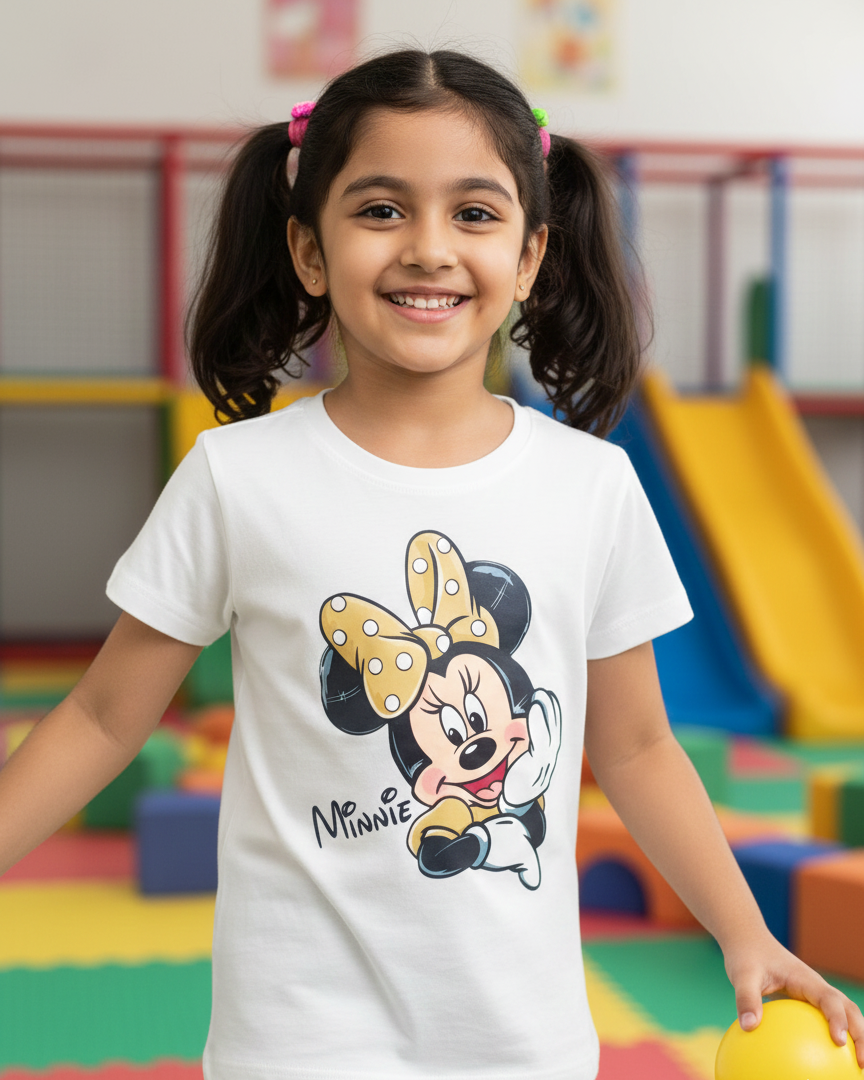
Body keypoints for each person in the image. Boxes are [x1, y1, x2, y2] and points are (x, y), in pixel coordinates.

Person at [0, 47, 861, 1080]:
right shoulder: (237, 477)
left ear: (531, 256)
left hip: (520, 1039)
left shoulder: (590, 487)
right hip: (299, 1035)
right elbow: (101, 718)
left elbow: (634, 750)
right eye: (378, 210)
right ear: (309, 252)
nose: (427, 248)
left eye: (474, 213)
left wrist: (745, 932)